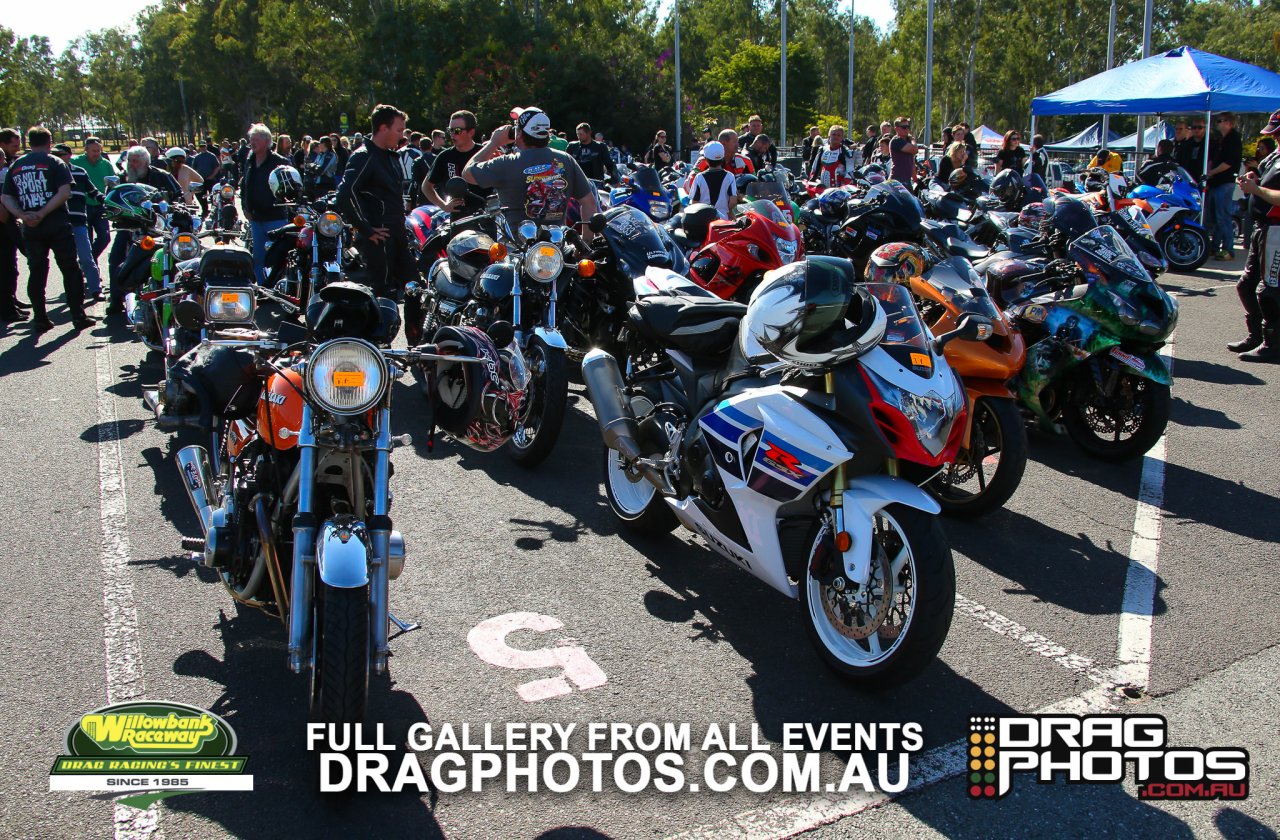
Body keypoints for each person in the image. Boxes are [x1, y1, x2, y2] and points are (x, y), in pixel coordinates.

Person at [335, 104, 422, 337]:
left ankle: (416, 342)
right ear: (383, 128)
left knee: (415, 288)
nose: (402, 135)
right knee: (382, 292)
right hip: (378, 237)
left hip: (397, 232)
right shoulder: (364, 156)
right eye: (399, 130)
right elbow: (344, 194)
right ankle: (379, 347)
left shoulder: (389, 155)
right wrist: (365, 228)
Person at [0, 127, 96, 331]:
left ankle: (40, 318)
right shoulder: (55, 162)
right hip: (56, 223)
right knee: (70, 268)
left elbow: (6, 196)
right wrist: (43, 212)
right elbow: (64, 191)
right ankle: (78, 315)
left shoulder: (16, 165)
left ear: (29, 141)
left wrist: (23, 215)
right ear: (49, 141)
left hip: (31, 227)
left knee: (37, 270)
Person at [463, 105, 599, 235]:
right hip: (556, 249)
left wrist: (494, 143)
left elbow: (467, 173)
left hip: (516, 251)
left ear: (520, 133)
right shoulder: (566, 160)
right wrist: (585, 243)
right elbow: (589, 203)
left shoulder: (506, 163)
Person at [1228, 110, 1280, 362]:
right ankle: (1256, 336)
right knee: (1246, 285)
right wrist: (1254, 179)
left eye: (1278, 133)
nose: (1276, 137)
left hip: (1277, 229)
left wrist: (1255, 188)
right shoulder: (1274, 156)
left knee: (1270, 289)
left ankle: (1273, 344)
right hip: (1263, 227)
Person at [106, 146, 180, 313]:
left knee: (176, 254)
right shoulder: (122, 179)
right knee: (116, 257)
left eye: (136, 161)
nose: (132, 164)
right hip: (129, 226)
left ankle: (173, 294)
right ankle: (116, 299)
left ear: (146, 162)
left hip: (158, 227)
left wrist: (173, 208)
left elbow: (178, 196)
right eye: (130, 161)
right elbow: (111, 198)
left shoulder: (161, 176)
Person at [52, 143, 106, 302]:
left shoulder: (80, 172)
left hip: (79, 221)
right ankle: (74, 292)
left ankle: (96, 289)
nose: (58, 157)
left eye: (61, 154)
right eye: (55, 154)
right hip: (60, 223)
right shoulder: (51, 173)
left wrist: (108, 201)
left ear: (69, 155)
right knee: (66, 261)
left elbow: (93, 192)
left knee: (86, 257)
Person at [239, 124, 291, 284]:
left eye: (255, 139)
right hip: (256, 218)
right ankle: (263, 289)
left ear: (267, 141)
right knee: (258, 258)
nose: (251, 143)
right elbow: (244, 186)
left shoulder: (280, 162)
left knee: (277, 256)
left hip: (275, 218)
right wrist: (244, 207)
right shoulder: (250, 161)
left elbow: (290, 188)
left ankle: (278, 287)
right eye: (250, 139)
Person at [422, 110, 491, 217]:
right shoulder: (445, 156)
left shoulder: (486, 152)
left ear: (471, 132)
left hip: (486, 215)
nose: (452, 134)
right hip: (458, 217)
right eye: (450, 130)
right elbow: (426, 186)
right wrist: (444, 205)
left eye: (457, 130)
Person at [0, 129, 30, 321]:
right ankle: (6, 309)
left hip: (9, 222)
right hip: (3, 225)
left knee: (11, 266)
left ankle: (10, 300)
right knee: (4, 268)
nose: (4, 162)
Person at [72, 137, 116, 266]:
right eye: (93, 150)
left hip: (100, 205)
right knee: (87, 240)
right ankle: (91, 269)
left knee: (105, 237)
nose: (96, 153)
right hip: (83, 205)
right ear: (86, 149)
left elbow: (113, 183)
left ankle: (87, 262)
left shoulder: (105, 164)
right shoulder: (76, 162)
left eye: (98, 150)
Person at [1205, 112, 1243, 260]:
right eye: (1218, 121)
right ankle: (1214, 247)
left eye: (1221, 121)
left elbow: (1228, 163)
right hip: (1215, 183)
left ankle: (1228, 249)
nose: (1218, 123)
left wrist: (1211, 172)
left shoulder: (1233, 139)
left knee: (1223, 217)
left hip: (1224, 183)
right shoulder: (1221, 139)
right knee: (1214, 218)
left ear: (1230, 123)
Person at [688, 141, 737, 219]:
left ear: (706, 159)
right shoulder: (730, 176)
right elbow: (733, 201)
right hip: (723, 220)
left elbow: (694, 202)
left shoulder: (699, 177)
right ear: (722, 157)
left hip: (704, 220)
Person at [188, 142, 221, 215]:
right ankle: (205, 210)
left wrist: (212, 176)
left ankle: (214, 210)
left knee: (213, 196)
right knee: (201, 196)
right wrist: (196, 178)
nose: (203, 148)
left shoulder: (212, 156)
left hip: (211, 179)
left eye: (204, 146)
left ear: (206, 146)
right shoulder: (197, 157)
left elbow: (217, 167)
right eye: (201, 146)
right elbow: (194, 169)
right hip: (201, 180)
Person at [888, 117, 918, 184]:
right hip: (897, 180)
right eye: (904, 127)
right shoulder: (896, 141)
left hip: (907, 180)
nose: (906, 129)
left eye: (908, 127)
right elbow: (915, 150)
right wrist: (913, 139)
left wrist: (915, 179)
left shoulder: (907, 141)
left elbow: (911, 161)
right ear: (896, 128)